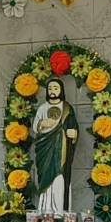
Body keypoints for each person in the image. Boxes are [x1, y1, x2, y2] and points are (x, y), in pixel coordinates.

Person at [31, 77, 80, 212]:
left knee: (59, 177)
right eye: (50, 88)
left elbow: (73, 126)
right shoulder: (43, 108)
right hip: (45, 149)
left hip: (61, 151)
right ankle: (45, 210)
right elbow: (35, 127)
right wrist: (42, 124)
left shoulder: (67, 109)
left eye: (56, 88)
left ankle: (59, 211)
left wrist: (74, 133)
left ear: (61, 90)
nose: (53, 91)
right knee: (45, 177)